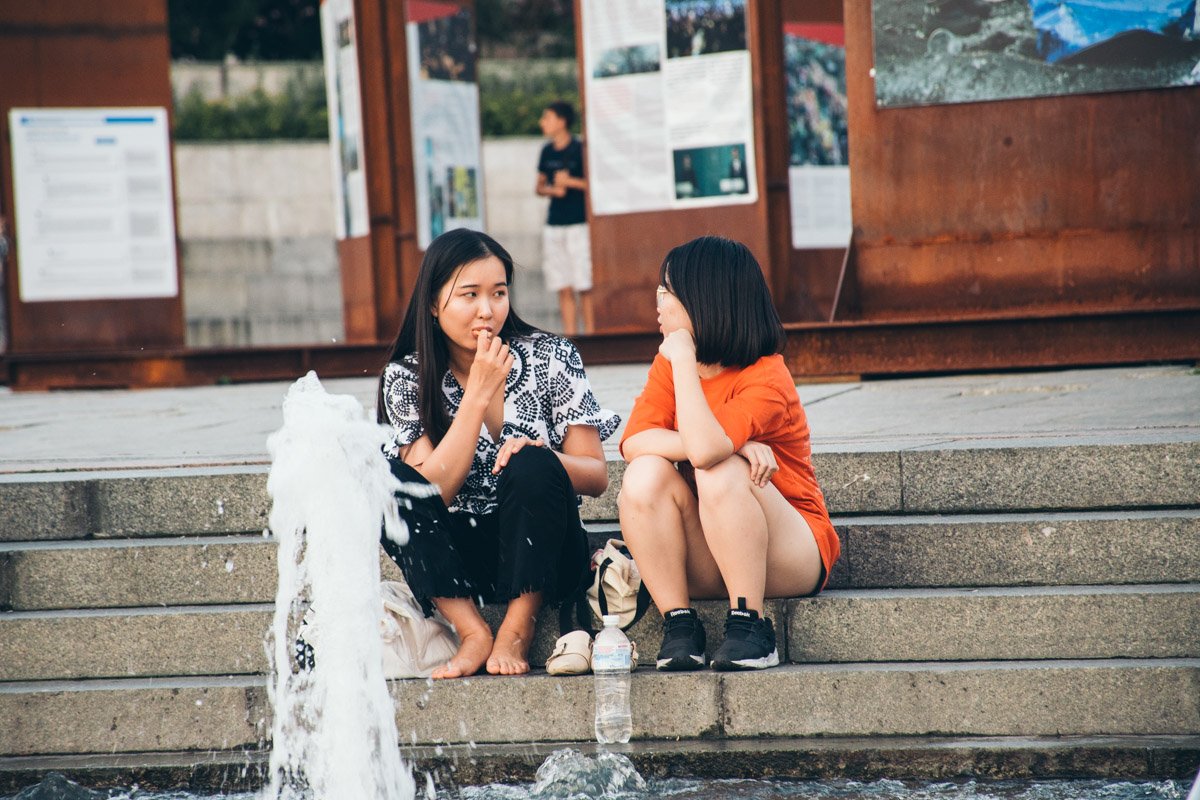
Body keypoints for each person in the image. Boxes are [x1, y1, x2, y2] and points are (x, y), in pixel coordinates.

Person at [377, 228, 620, 679]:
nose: (487, 310)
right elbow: (428, 495)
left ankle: (517, 627)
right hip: (459, 560)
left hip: (545, 548)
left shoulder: (552, 356)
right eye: (469, 295)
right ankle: (472, 631)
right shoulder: (407, 376)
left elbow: (596, 475)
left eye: (498, 293)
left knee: (531, 462)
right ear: (433, 303)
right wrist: (476, 397)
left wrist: (544, 455)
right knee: (381, 480)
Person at [617, 236, 840, 672]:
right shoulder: (672, 364)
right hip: (710, 548)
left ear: (704, 299)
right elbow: (634, 442)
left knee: (718, 469)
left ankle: (751, 627)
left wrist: (684, 365)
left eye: (668, 292)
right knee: (644, 474)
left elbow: (705, 454)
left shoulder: (766, 374)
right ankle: (680, 624)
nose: (657, 303)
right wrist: (731, 442)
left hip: (789, 552)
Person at [535, 101, 593, 335]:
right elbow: (539, 187)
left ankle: (591, 336)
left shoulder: (580, 148)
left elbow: (593, 184)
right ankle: (571, 337)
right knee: (563, 285)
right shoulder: (546, 151)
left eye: (547, 117)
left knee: (584, 284)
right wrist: (553, 190)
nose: (542, 122)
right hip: (554, 224)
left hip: (578, 224)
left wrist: (569, 183)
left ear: (561, 121)